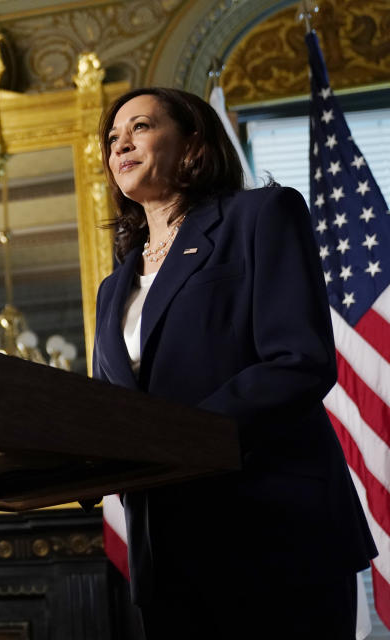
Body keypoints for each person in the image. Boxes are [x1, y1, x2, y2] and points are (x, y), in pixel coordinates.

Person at [92, 87, 376, 639]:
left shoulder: (260, 215)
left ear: (193, 140)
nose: (121, 143)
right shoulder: (113, 287)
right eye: (112, 137)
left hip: (273, 534)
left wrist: (177, 439)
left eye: (141, 127)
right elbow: (112, 406)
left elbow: (298, 360)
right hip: (169, 555)